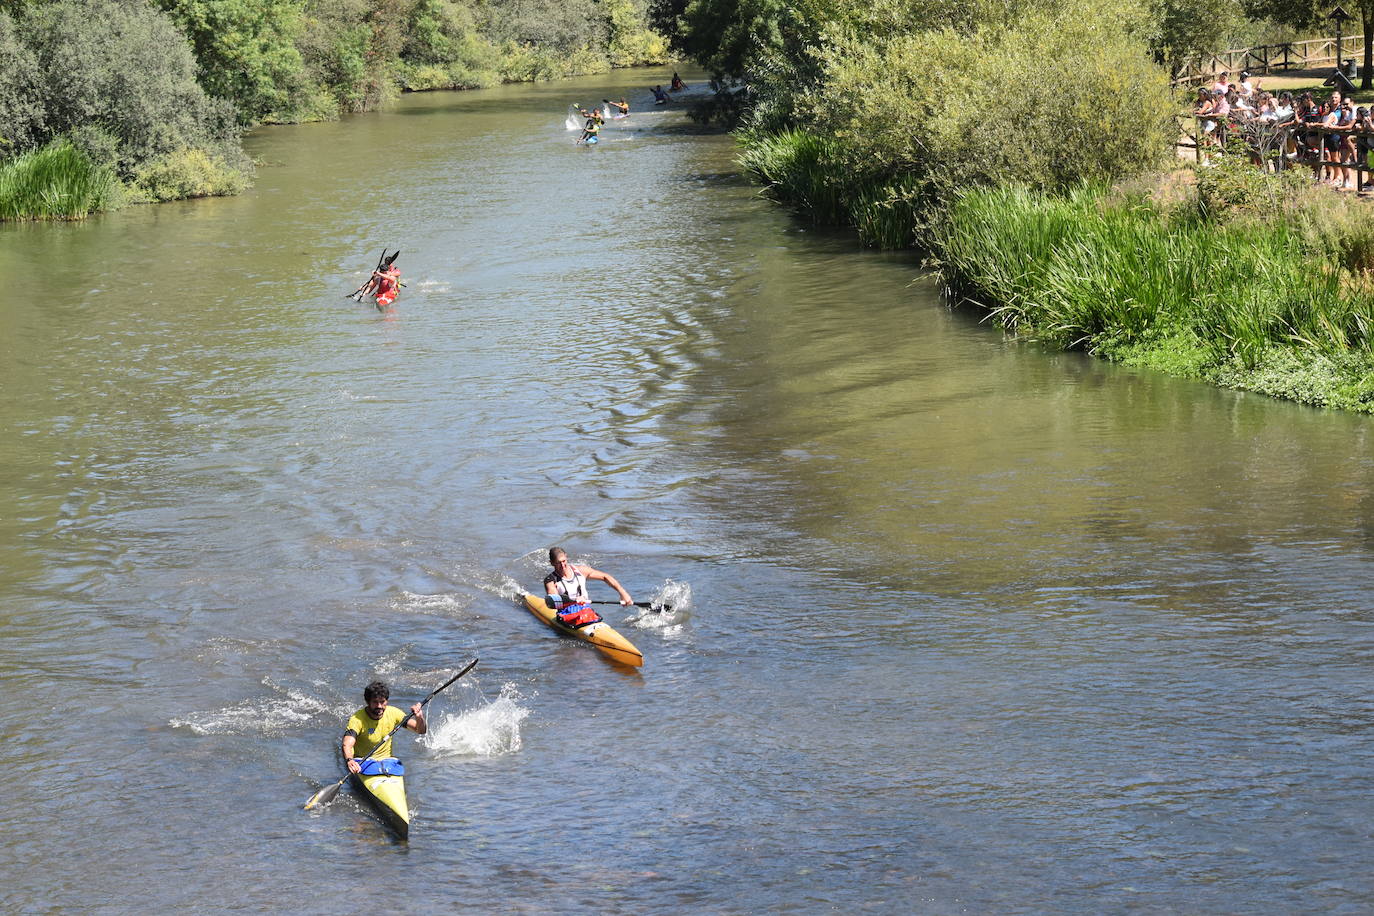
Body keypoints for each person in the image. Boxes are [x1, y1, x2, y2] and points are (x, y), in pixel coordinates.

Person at [342, 681, 426, 774]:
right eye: (375, 702)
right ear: (367, 702)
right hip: (363, 762)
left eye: (382, 702)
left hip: (387, 762)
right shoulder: (357, 719)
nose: (379, 706)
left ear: (387, 701)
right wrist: (350, 760)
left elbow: (421, 730)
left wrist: (419, 717)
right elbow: (347, 745)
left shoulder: (394, 713)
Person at [543, 546, 632, 627]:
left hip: (585, 610)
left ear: (566, 557)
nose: (562, 565)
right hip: (566, 614)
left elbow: (606, 577)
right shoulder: (550, 581)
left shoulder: (580, 570)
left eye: (564, 561)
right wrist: (574, 601)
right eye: (558, 563)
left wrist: (623, 593)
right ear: (552, 563)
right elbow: (555, 601)